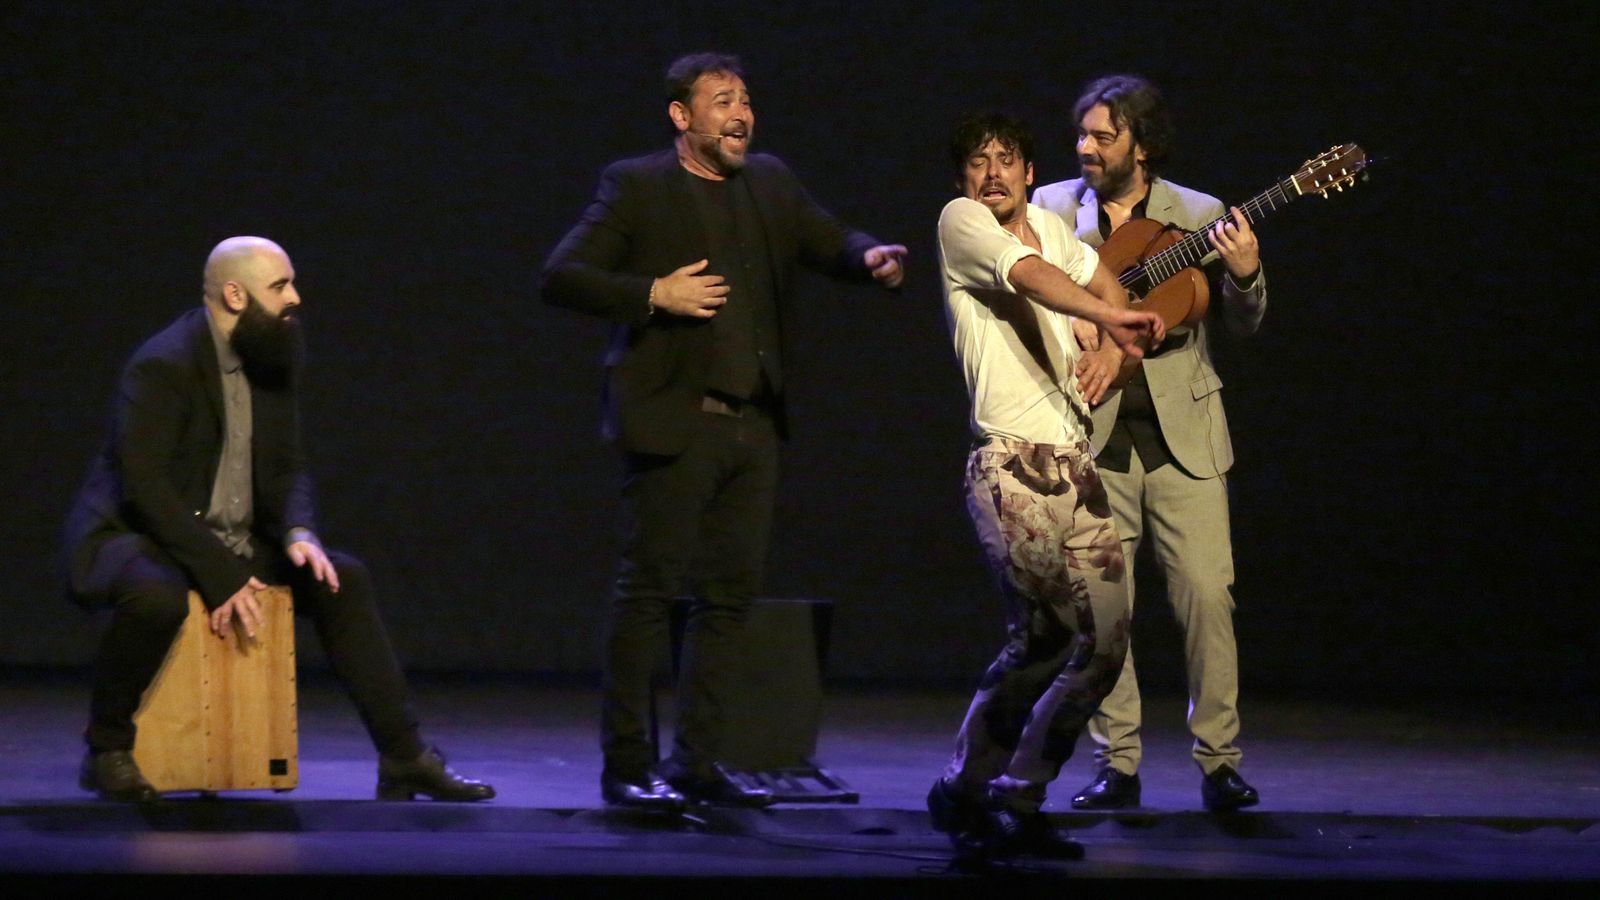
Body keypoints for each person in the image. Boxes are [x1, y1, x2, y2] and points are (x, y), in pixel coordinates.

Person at [540, 52, 906, 810]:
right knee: (647, 596)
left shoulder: (769, 181)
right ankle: (627, 767)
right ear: (682, 116)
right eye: (722, 101)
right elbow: (562, 275)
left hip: (754, 427)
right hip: (676, 424)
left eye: (745, 100)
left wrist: (866, 256)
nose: (740, 114)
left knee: (728, 600)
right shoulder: (637, 185)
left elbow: (827, 238)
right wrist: (654, 293)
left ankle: (696, 763)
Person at [63, 236, 494, 804]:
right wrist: (224, 575)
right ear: (235, 295)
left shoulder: (272, 353)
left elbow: (288, 467)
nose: (295, 297)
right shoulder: (163, 364)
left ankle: (404, 755)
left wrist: (298, 531)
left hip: (228, 536)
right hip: (138, 535)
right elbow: (147, 491)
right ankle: (107, 749)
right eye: (280, 286)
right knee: (157, 600)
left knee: (341, 579)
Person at [928, 112, 1165, 857]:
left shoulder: (1057, 234)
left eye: (1006, 160)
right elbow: (1032, 277)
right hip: (1011, 465)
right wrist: (1107, 316)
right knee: (1046, 633)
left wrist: (1115, 348)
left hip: (1075, 467)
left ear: (1030, 173)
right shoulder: (963, 223)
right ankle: (964, 785)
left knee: (1106, 646)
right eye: (978, 161)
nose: (992, 172)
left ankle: (1020, 793)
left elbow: (1105, 290)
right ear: (963, 178)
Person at [1032, 74, 1266, 812]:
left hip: (1183, 439)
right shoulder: (1050, 209)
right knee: (1109, 612)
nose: (1087, 147)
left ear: (1143, 145)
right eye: (1083, 133)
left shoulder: (1198, 215)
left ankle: (1220, 763)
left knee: (1208, 598)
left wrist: (1245, 276)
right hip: (1093, 433)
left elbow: (1243, 323)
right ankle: (1117, 765)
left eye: (1104, 136)